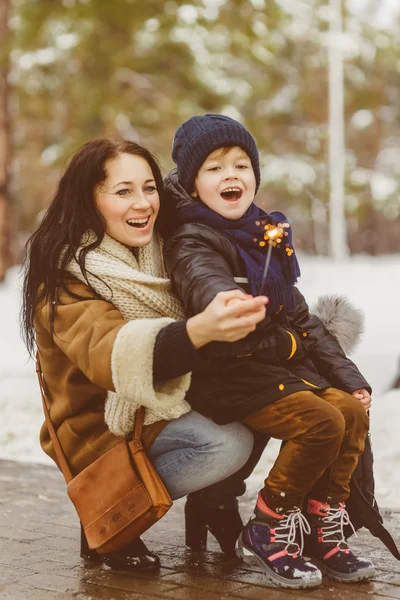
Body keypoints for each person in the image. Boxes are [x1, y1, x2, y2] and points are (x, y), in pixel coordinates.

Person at [21, 138, 270, 572]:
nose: (143, 203)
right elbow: (107, 351)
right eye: (123, 192)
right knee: (228, 444)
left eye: (149, 188)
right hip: (100, 428)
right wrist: (196, 332)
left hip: (163, 404)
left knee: (266, 393)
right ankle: (110, 507)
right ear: (88, 201)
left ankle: (213, 501)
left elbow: (205, 199)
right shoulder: (64, 274)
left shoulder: (163, 246)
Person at [163, 113, 375, 588]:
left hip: (268, 369)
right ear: (194, 184)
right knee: (322, 421)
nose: (231, 175)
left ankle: (323, 521)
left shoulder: (264, 235)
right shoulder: (192, 237)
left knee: (348, 410)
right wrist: (230, 303)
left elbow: (302, 318)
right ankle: (268, 524)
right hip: (226, 373)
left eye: (241, 165)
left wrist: (350, 376)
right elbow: (208, 288)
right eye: (214, 168)